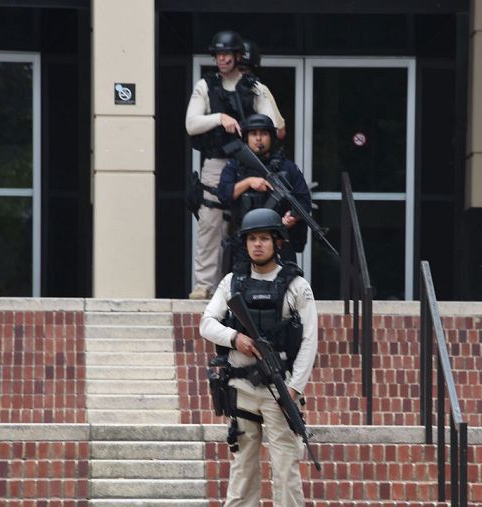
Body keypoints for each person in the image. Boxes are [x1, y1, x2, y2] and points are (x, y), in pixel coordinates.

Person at [199, 208, 318, 506]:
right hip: (241, 390)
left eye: (264, 238)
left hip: (281, 391)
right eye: (252, 238)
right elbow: (207, 323)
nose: (258, 244)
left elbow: (309, 341)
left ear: (278, 242)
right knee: (242, 473)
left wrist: (294, 388)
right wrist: (234, 338)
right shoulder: (231, 282)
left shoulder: (297, 286)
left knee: (286, 471)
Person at [185, 30, 284, 299]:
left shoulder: (254, 87)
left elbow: (276, 126)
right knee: (210, 222)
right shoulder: (206, 85)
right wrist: (219, 117)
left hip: (248, 163)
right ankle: (205, 284)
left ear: (238, 56)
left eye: (227, 54)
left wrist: (253, 131)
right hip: (216, 163)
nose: (223, 59)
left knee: (252, 222)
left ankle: (251, 283)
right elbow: (191, 124)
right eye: (219, 54)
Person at [217, 113, 310, 269]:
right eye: (254, 134)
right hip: (244, 241)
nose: (258, 139)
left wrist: (293, 216)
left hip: (279, 240)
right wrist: (248, 182)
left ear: (271, 138)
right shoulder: (235, 166)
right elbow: (224, 194)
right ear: (246, 138)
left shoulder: (287, 167)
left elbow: (304, 202)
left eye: (263, 134)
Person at [239, 38, 286, 140]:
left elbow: (279, 132)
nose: (239, 74)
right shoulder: (214, 88)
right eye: (236, 69)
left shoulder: (258, 89)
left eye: (243, 69)